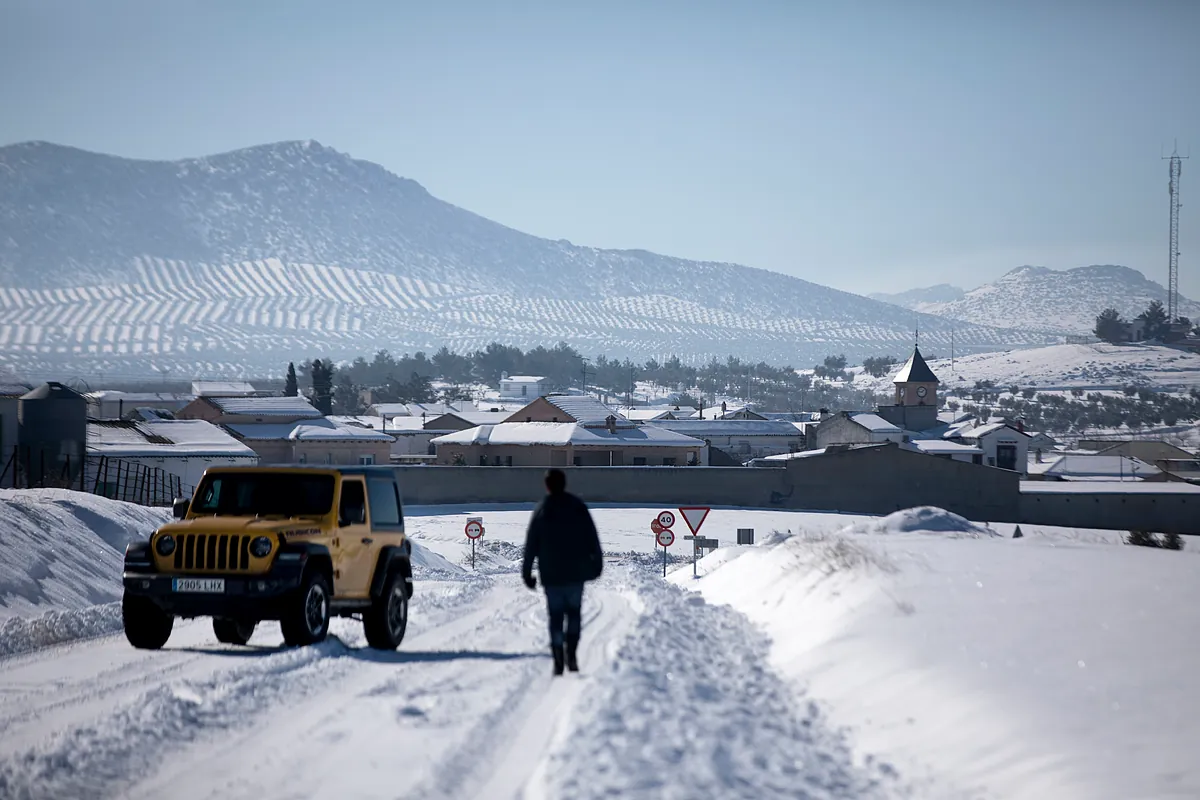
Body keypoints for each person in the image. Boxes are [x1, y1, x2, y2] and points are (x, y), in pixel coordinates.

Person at [522, 468, 604, 675]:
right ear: (564, 484)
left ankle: (558, 657)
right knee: (574, 613)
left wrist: (527, 572)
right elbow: (592, 537)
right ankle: (572, 654)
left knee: (556, 616)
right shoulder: (577, 507)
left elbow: (531, 543)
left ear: (547, 486)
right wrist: (597, 564)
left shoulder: (543, 509)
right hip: (576, 573)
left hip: (551, 574)